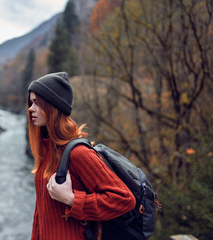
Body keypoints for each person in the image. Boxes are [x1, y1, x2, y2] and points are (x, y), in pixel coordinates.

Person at [27, 72, 136, 240]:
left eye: (36, 103)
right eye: (30, 102)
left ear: (52, 106)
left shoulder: (78, 153)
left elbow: (124, 199)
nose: (30, 108)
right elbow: (40, 214)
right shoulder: (46, 150)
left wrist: (71, 199)